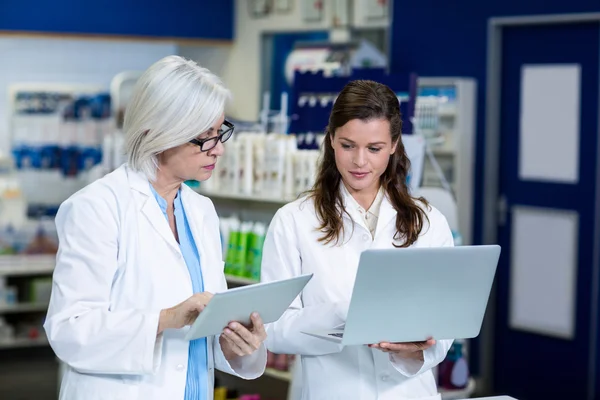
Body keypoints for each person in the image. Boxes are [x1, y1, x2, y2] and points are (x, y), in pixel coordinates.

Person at [44, 56, 267, 400]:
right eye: (204, 138)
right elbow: (69, 331)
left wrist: (237, 342)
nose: (219, 149)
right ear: (159, 133)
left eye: (220, 132)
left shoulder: (201, 211)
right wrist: (167, 318)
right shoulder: (97, 207)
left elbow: (206, 332)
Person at [261, 80, 454, 400]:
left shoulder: (429, 221)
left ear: (394, 145)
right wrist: (345, 314)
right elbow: (273, 330)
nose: (360, 161)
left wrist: (412, 351)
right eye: (348, 145)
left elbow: (444, 326)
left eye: (374, 148)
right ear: (331, 140)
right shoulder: (294, 220)